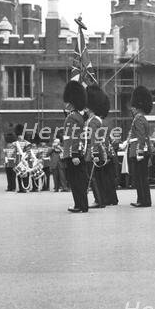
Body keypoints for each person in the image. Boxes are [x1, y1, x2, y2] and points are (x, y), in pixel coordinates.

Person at [123, 86, 153, 208]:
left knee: (140, 178)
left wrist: (139, 152)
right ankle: (144, 199)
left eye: (133, 107)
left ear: (137, 107)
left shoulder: (138, 119)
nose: (132, 109)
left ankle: (143, 200)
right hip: (139, 150)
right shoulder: (141, 118)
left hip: (139, 152)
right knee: (142, 177)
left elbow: (141, 136)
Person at [62, 80, 89, 213]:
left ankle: (79, 205)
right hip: (77, 152)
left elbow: (72, 137)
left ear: (71, 103)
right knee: (79, 180)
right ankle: (82, 204)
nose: (65, 105)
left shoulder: (72, 118)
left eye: (67, 103)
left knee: (76, 181)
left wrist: (74, 154)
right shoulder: (77, 117)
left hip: (73, 154)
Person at [86, 85, 108, 209]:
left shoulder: (93, 121)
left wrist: (93, 153)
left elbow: (93, 138)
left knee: (93, 177)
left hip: (93, 151)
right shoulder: (97, 120)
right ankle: (101, 199)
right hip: (98, 150)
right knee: (98, 177)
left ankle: (98, 200)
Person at [97, 92, 119, 206]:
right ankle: (113, 199)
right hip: (110, 153)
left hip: (104, 154)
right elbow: (114, 140)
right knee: (109, 178)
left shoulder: (99, 123)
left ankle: (106, 199)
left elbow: (103, 140)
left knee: (104, 178)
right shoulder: (107, 122)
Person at [13, 124, 32, 193]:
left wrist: (24, 159)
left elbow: (29, 152)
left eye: (21, 135)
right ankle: (21, 188)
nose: (20, 137)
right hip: (18, 160)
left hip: (25, 160)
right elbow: (14, 152)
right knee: (19, 174)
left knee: (25, 174)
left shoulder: (27, 143)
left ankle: (26, 187)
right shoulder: (15, 143)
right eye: (19, 135)